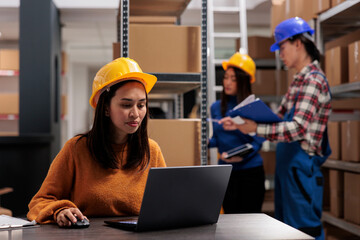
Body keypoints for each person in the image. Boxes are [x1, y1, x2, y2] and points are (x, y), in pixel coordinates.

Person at [219, 17, 331, 240]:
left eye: (282, 46)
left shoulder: (314, 81)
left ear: (298, 43)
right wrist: (242, 125)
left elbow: (298, 129)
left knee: (303, 231)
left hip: (301, 168)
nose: (280, 53)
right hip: (288, 167)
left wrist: (255, 129)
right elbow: (278, 118)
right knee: (287, 231)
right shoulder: (298, 81)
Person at [27, 57, 167, 227]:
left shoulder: (151, 150)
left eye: (141, 105)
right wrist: (59, 210)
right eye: (126, 105)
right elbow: (39, 202)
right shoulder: (76, 149)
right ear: (106, 108)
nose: (135, 114)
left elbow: (165, 203)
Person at [208, 52, 265, 214]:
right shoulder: (216, 107)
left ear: (244, 82)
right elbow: (217, 140)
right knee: (230, 222)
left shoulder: (254, 107)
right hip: (226, 172)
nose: (227, 82)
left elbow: (258, 141)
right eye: (226, 77)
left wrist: (243, 155)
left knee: (250, 223)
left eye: (234, 79)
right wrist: (204, 141)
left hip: (250, 172)